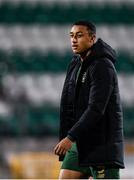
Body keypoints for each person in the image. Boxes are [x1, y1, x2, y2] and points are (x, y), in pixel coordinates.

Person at [54, 21, 125, 179]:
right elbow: (68, 104)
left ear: (92, 39)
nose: (74, 40)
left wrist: (70, 137)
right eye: (71, 36)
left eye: (79, 35)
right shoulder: (75, 64)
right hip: (80, 142)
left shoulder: (102, 66)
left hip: (101, 144)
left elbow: (96, 109)